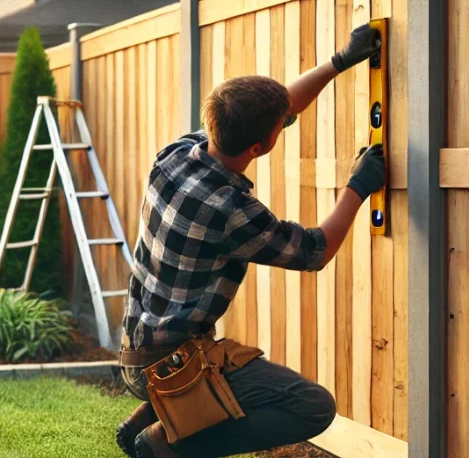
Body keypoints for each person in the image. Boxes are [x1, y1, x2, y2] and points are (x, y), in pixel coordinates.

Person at [114, 23, 386, 458]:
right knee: (313, 407)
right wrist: (357, 187)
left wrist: (340, 61)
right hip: (173, 365)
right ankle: (168, 443)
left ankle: (147, 421)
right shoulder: (230, 210)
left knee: (227, 360)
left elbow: (279, 110)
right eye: (282, 126)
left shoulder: (176, 154)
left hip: (135, 348)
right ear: (261, 146)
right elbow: (315, 251)